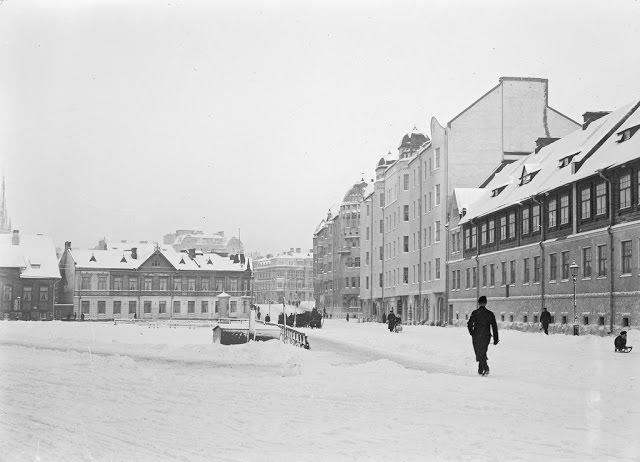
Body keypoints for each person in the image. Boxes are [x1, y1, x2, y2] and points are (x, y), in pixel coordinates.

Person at [467, 296, 499, 376]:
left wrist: (472, 332)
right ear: (486, 303)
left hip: (477, 336)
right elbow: (494, 326)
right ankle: (480, 370)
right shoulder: (490, 314)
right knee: (483, 352)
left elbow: (469, 324)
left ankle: (485, 368)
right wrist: (496, 338)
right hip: (486, 336)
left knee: (479, 352)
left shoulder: (475, 313)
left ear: (479, 303)